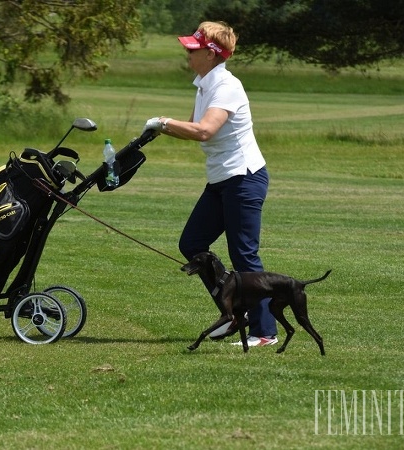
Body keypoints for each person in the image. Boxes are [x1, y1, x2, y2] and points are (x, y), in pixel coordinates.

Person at [143, 21, 277, 347]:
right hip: (221, 179)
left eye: (194, 48)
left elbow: (205, 131)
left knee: (244, 255)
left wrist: (164, 122)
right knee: (192, 244)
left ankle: (264, 332)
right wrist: (162, 129)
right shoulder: (204, 84)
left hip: (243, 178)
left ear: (212, 54)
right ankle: (233, 313)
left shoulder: (226, 86)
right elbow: (193, 127)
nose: (188, 52)